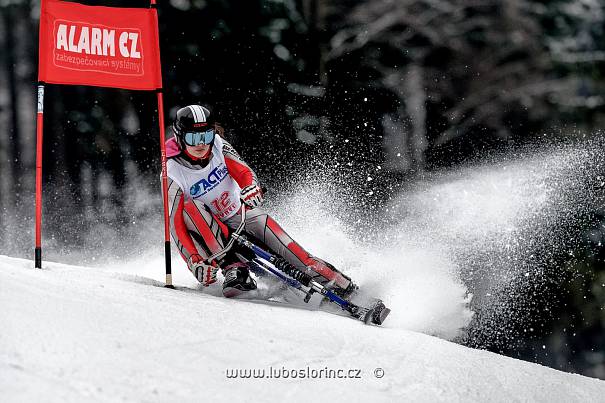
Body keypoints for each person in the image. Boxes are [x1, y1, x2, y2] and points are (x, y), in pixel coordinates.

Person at [165, 104, 356, 298]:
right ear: (180, 137)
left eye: (206, 136)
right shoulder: (171, 171)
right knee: (190, 208)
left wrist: (251, 189)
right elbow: (175, 224)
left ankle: (342, 285)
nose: (201, 144)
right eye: (193, 138)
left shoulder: (219, 145)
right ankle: (234, 269)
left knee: (295, 255)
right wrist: (194, 260)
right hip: (211, 233)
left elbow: (245, 172)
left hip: (241, 215)